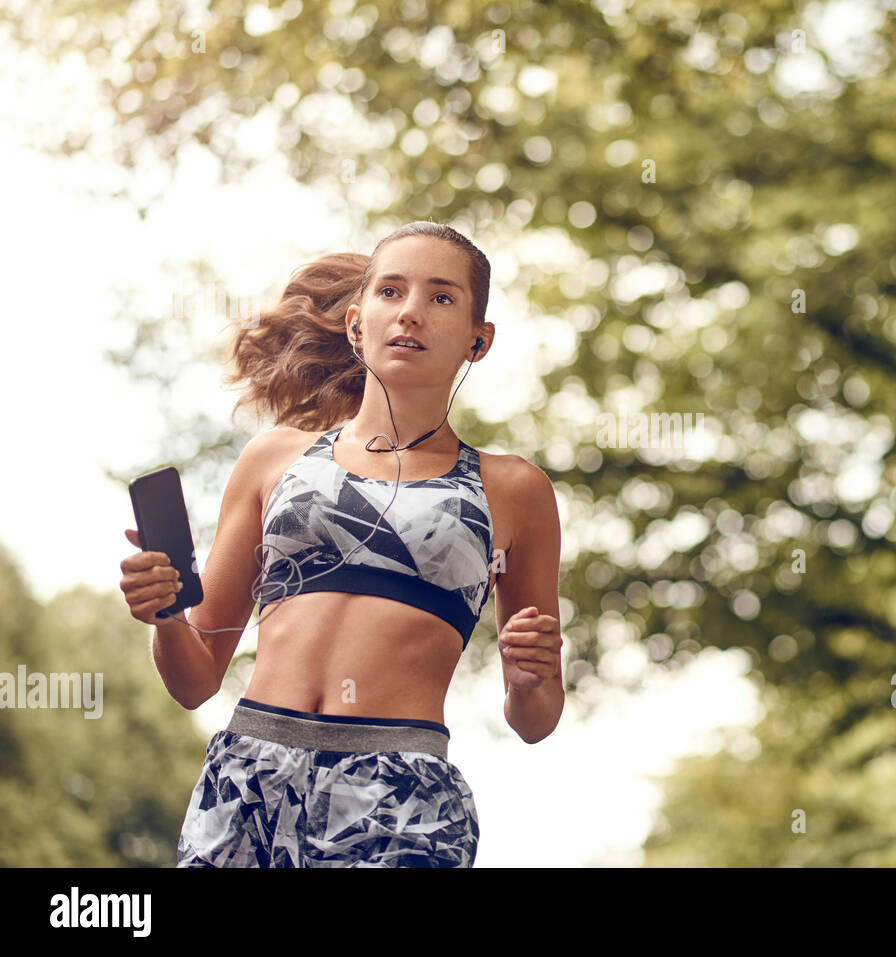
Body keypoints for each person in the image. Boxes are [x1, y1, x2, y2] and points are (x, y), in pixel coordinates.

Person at [118, 221, 564, 867]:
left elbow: (536, 718)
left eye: (441, 297)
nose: (410, 311)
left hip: (400, 796)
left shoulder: (513, 488)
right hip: (249, 777)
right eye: (390, 291)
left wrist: (532, 678)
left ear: (479, 338)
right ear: (357, 322)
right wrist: (164, 613)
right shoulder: (273, 458)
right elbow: (194, 681)